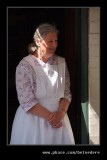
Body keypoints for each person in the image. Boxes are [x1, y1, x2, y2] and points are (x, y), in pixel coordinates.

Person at [10, 23, 75, 145]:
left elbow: (66, 93)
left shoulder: (61, 62)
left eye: (56, 40)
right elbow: (26, 100)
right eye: (50, 41)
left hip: (59, 119)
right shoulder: (25, 65)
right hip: (33, 121)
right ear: (38, 41)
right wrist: (52, 118)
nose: (54, 45)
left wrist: (60, 114)